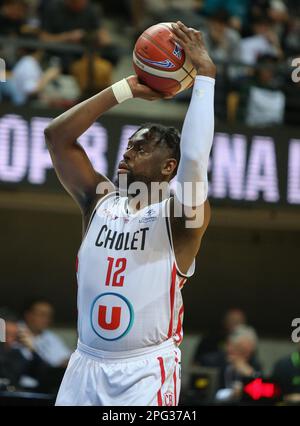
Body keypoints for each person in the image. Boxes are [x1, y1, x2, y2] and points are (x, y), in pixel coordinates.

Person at [45, 21, 216, 406]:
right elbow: (57, 137)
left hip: (144, 371)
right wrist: (123, 89)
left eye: (140, 148)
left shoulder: (180, 219)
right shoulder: (99, 201)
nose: (126, 153)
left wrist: (205, 77)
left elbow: (194, 160)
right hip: (83, 366)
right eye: (128, 147)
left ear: (167, 167)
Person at [20, 299, 71, 368]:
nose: (46, 319)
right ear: (28, 315)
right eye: (42, 315)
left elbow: (65, 360)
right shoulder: (14, 330)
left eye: (49, 316)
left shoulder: (50, 336)